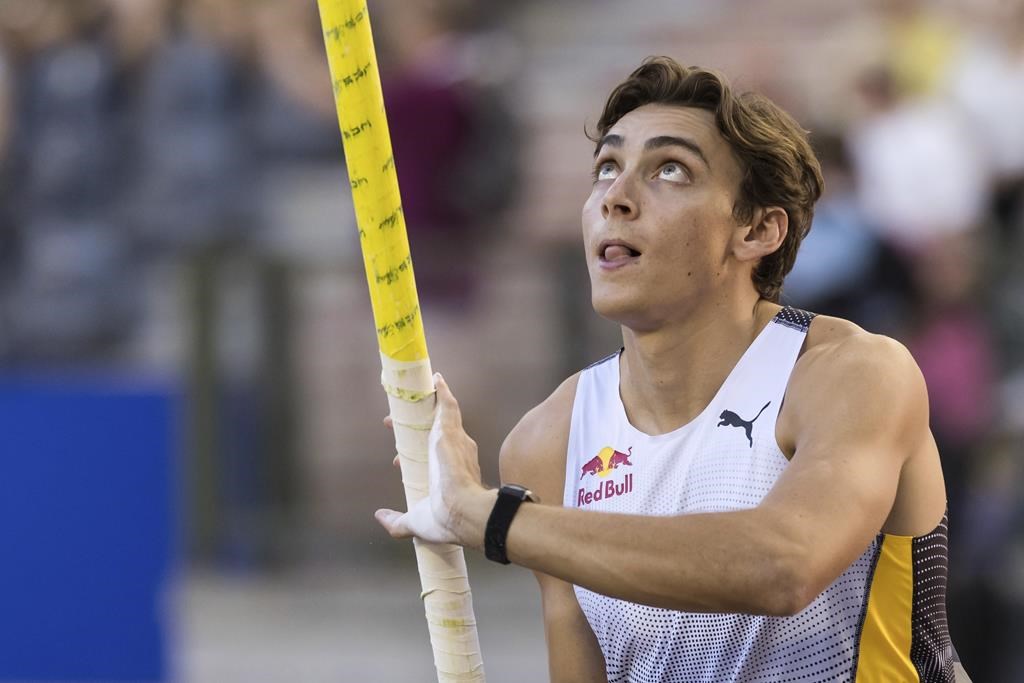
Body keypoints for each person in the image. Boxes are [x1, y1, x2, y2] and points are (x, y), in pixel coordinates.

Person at [375, 57, 969, 682]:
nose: (616, 198)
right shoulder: (548, 442)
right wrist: (497, 517)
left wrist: (494, 519)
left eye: (670, 170)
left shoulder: (849, 374)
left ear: (758, 230)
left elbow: (784, 566)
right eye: (607, 167)